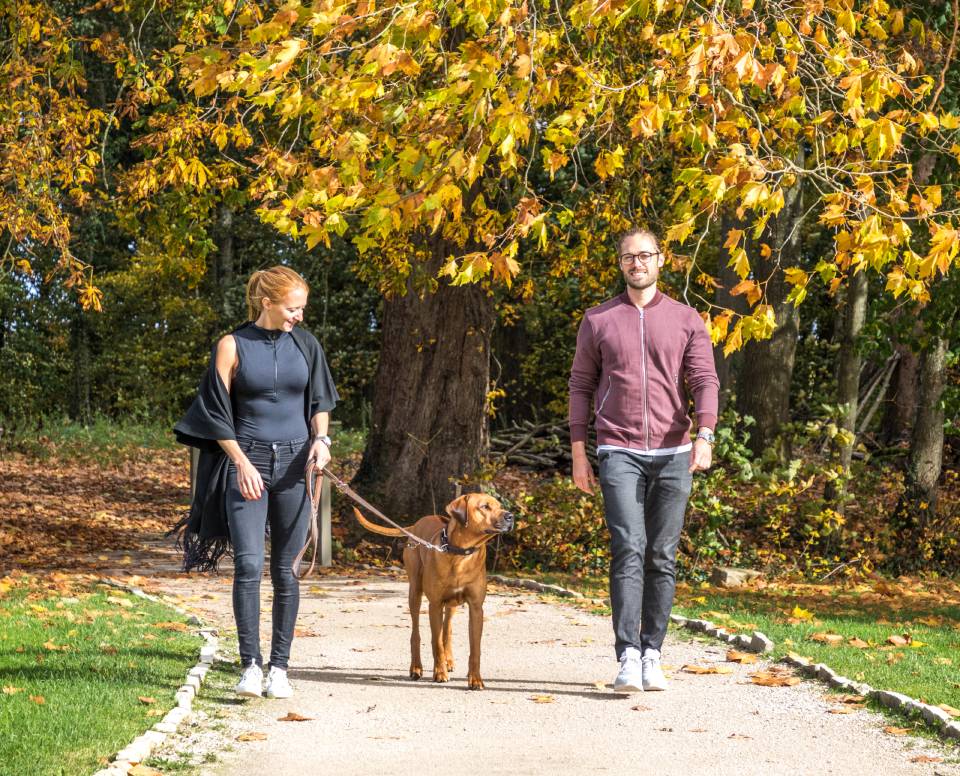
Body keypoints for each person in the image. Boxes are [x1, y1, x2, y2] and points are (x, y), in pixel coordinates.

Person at [173, 266, 339, 700]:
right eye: (292, 308)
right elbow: (214, 413)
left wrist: (321, 440)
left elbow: (320, 401)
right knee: (248, 566)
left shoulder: (307, 344)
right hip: (247, 462)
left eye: (301, 309)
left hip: (296, 466)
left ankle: (280, 668)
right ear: (267, 302)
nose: (298, 317)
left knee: (287, 569)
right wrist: (241, 463)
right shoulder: (231, 345)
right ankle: (250, 665)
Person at [568, 228, 719, 693]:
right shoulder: (598, 320)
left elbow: (705, 379)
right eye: (629, 257)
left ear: (661, 260)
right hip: (618, 450)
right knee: (628, 547)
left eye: (645, 255)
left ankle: (653, 652)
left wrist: (706, 435)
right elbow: (580, 387)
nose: (638, 263)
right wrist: (579, 453)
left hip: (674, 452)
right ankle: (627, 656)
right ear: (620, 264)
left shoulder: (686, 318)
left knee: (661, 554)